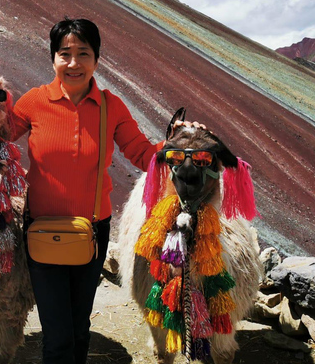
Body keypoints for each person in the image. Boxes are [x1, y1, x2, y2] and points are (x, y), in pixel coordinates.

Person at [11, 19, 198, 364]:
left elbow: (144, 154)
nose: (73, 63)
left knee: (80, 326)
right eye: (64, 53)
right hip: (41, 231)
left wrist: (178, 142)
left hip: (92, 232)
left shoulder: (111, 106)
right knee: (57, 333)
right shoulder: (34, 102)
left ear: (97, 60)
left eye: (83, 53)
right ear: (53, 59)